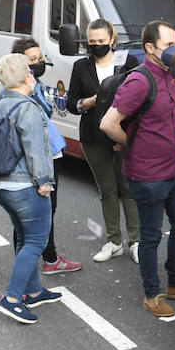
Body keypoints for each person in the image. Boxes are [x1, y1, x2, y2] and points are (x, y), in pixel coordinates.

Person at [99, 20, 175, 316]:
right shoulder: (139, 81)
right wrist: (132, 144)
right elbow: (108, 123)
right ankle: (151, 294)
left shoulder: (170, 75)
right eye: (168, 45)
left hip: (174, 168)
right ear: (150, 47)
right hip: (147, 175)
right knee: (150, 236)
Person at [0, 53, 61, 324]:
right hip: (25, 185)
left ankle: (33, 291)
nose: (33, 73)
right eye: (30, 70)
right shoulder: (27, 108)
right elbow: (36, 150)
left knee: (23, 235)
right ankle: (13, 298)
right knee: (36, 241)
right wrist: (44, 183)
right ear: (26, 77)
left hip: (1, 184)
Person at [66, 19, 142, 262]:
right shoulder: (81, 67)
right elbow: (71, 104)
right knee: (107, 190)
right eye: (92, 42)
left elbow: (139, 100)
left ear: (112, 40)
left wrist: (124, 137)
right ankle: (114, 241)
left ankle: (136, 241)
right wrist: (92, 100)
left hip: (124, 134)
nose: (97, 45)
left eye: (101, 41)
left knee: (129, 190)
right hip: (93, 137)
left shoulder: (128, 62)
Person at [10, 37, 84, 276]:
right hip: (38, 158)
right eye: (33, 60)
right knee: (31, 213)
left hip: (51, 152)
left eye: (40, 58)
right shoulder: (18, 92)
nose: (39, 62)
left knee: (47, 210)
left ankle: (49, 258)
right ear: (20, 64)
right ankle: (27, 266)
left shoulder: (36, 84)